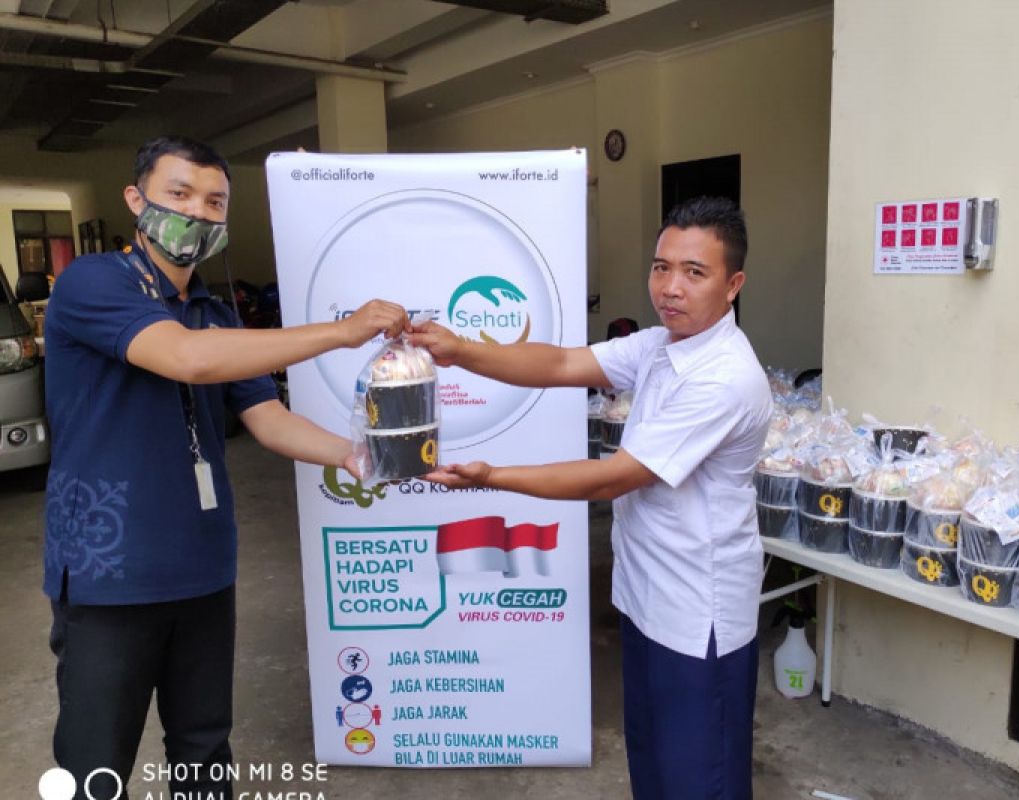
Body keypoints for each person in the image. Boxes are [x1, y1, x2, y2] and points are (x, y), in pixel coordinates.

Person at [42, 135, 409, 800]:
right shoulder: (92, 283)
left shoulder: (214, 311)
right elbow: (188, 359)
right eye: (178, 195)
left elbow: (266, 418)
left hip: (204, 567)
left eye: (214, 202)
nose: (197, 214)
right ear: (137, 199)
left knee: (204, 750)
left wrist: (363, 456)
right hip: (110, 573)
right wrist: (341, 330)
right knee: (94, 764)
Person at [415, 195, 771, 799]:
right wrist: (460, 351)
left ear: (733, 284)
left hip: (696, 614)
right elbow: (559, 362)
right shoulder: (661, 345)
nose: (671, 287)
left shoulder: (726, 377)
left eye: (694, 272)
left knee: (699, 776)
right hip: (645, 595)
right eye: (662, 267)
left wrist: (490, 477)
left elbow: (613, 478)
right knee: (653, 766)